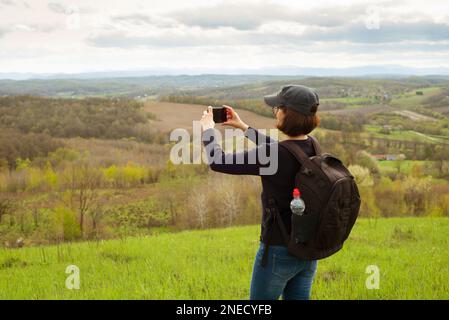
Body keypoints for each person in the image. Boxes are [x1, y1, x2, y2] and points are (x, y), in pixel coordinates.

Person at [200, 85, 321, 300]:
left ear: (287, 114)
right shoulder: (313, 146)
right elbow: (283, 150)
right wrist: (244, 128)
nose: (275, 111)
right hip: (308, 249)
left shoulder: (275, 155)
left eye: (277, 108)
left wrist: (208, 130)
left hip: (278, 250)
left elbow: (217, 161)